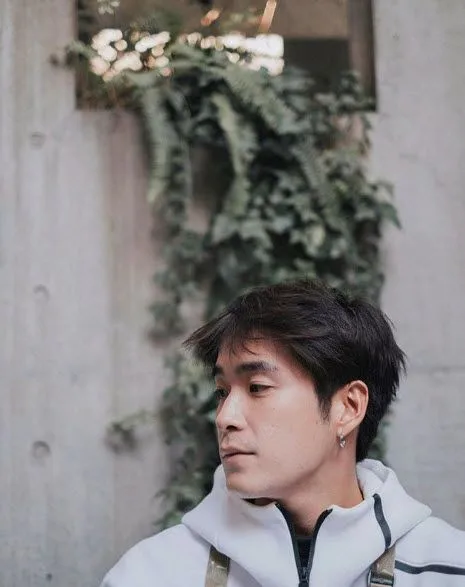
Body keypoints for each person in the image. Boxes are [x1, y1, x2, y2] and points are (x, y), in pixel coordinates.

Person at [101, 279, 465, 586]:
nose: (225, 417)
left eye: (257, 387)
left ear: (348, 407)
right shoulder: (151, 574)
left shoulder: (446, 570)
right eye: (222, 392)